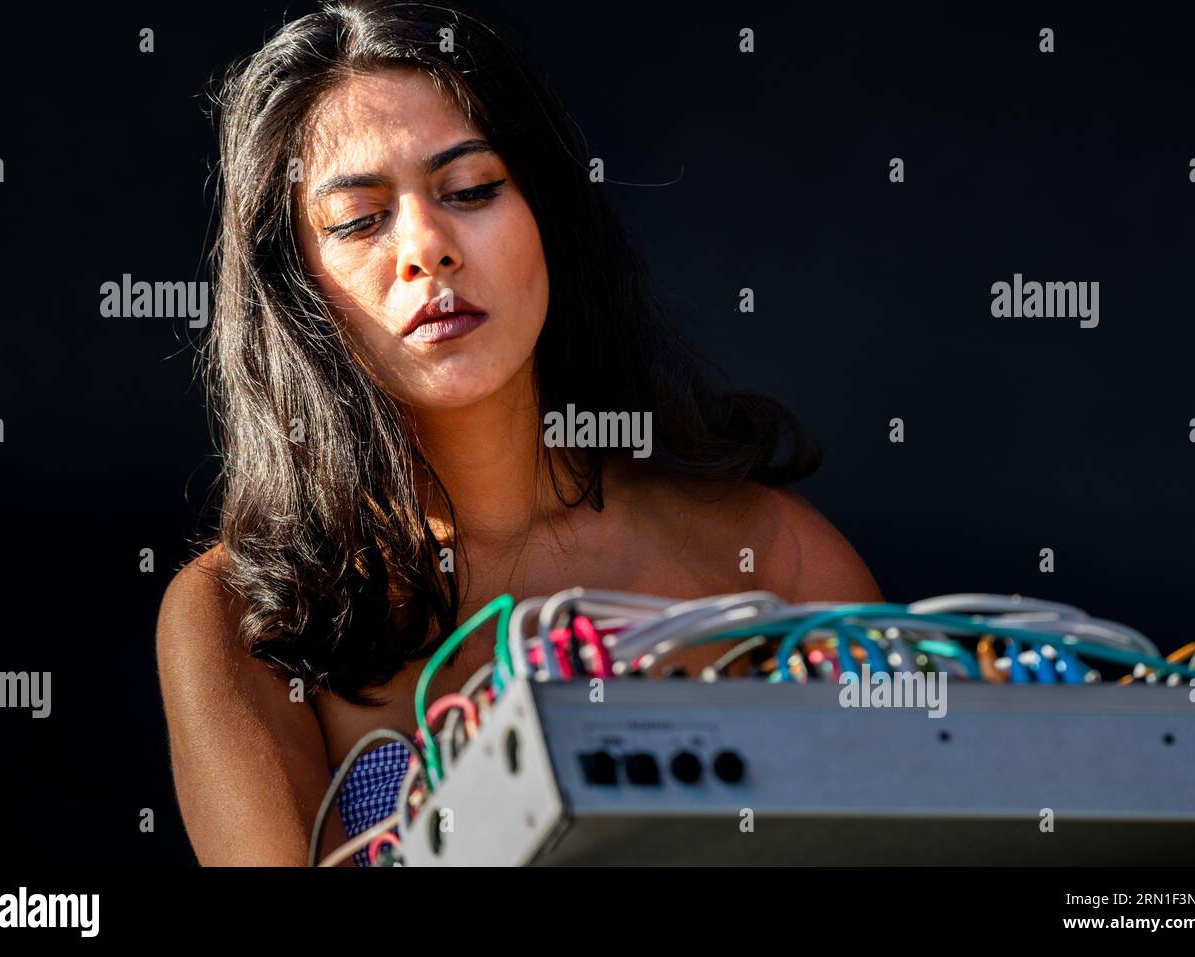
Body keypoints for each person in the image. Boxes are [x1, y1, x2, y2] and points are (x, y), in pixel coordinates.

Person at [156, 0, 881, 866]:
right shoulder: (241, 618)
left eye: (471, 190)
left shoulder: (770, 560)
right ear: (297, 291)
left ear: (552, 219)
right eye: (358, 219)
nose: (427, 246)